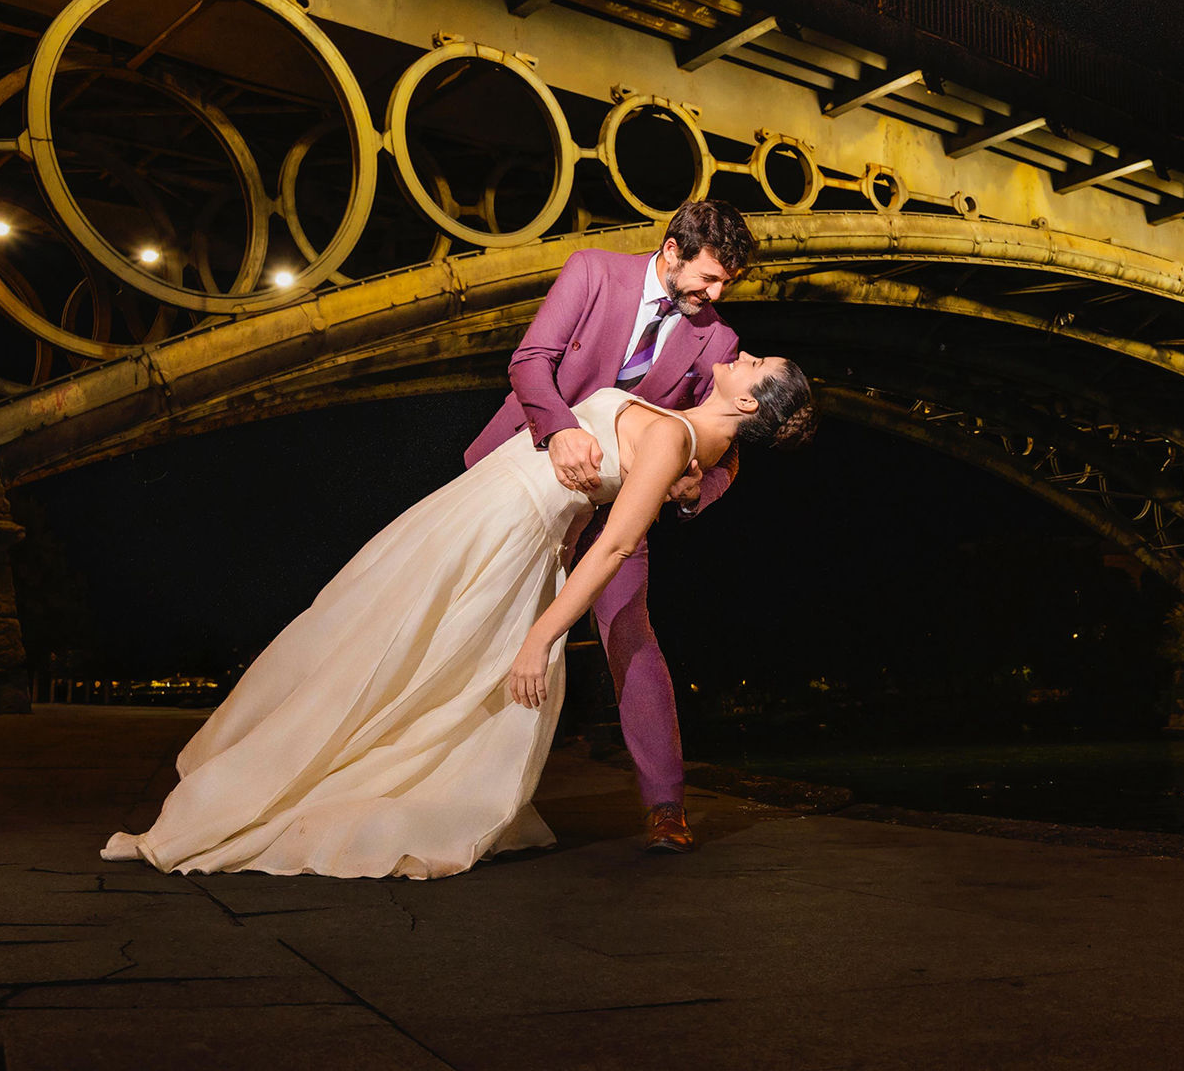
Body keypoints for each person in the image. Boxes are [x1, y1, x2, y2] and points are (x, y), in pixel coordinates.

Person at [100, 355, 816, 879]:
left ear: (752, 405)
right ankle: (282, 770)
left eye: (755, 364)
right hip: (488, 507)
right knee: (378, 637)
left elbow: (619, 545)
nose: (741, 352)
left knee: (384, 648)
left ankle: (263, 786)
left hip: (501, 526)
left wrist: (541, 637)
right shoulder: (690, 436)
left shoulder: (676, 443)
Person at [462, 199, 753, 851]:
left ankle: (666, 805)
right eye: (707, 278)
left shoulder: (719, 341)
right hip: (529, 471)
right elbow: (530, 360)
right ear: (672, 250)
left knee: (633, 635)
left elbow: (727, 450)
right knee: (473, 620)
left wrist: (691, 490)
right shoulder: (593, 272)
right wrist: (561, 429)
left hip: (613, 510)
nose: (713, 297)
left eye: (725, 286)